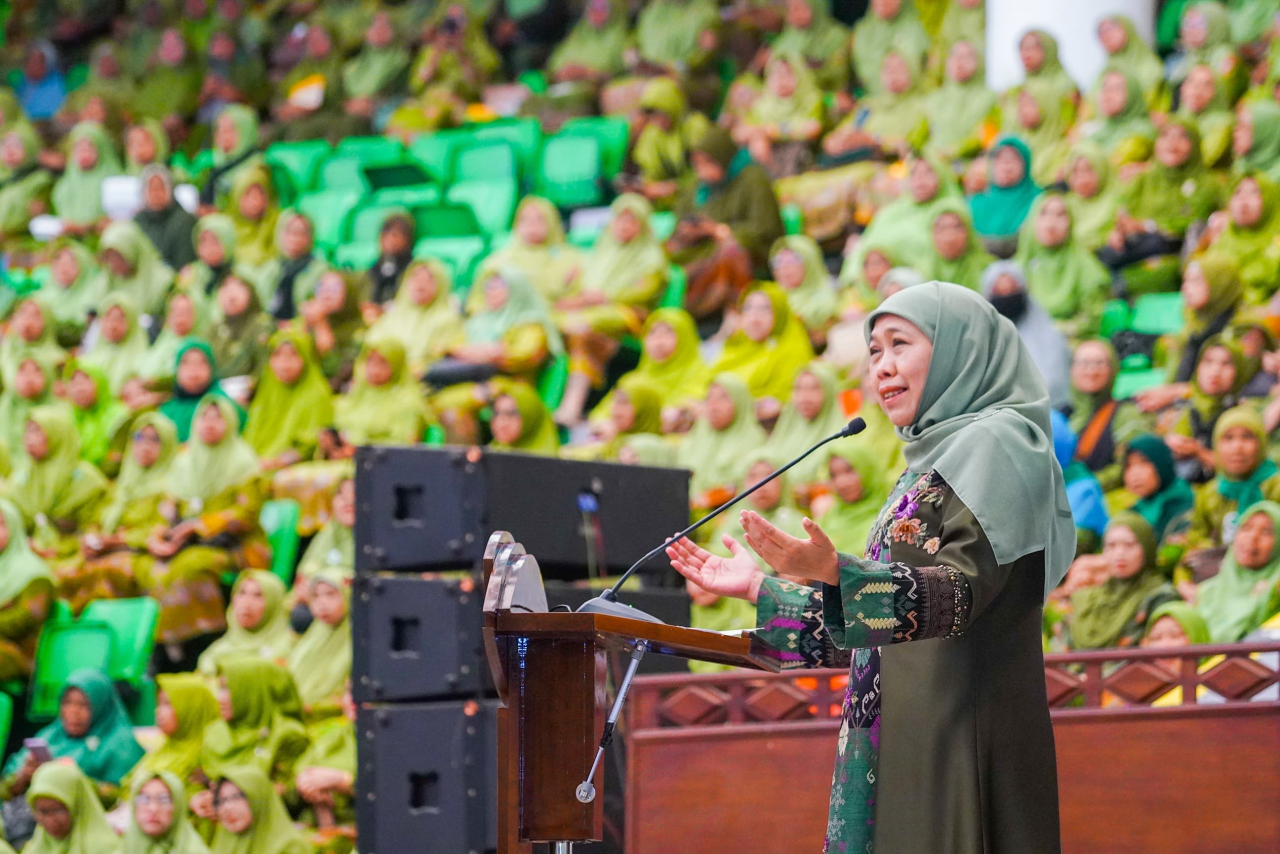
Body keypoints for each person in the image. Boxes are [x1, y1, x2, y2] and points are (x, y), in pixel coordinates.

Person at [666, 281, 1068, 852]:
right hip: (898, 730)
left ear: (962, 347)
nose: (881, 366)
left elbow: (957, 595)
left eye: (900, 343)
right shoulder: (928, 463)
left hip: (958, 737)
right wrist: (760, 588)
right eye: (874, 350)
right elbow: (876, 631)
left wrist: (838, 573)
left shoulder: (999, 444)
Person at [141, 397, 268, 650]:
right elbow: (166, 511)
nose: (209, 424)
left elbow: (248, 514)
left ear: (230, 422)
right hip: (187, 544)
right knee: (150, 567)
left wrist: (200, 525)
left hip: (234, 546)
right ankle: (162, 646)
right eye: (204, 417)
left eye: (217, 417)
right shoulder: (184, 462)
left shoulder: (243, 462)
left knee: (189, 566)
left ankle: (197, 642)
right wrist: (157, 537)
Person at [554, 193, 668, 425]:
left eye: (632, 220)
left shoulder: (652, 257)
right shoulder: (602, 249)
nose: (625, 225)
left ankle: (573, 405)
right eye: (620, 219)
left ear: (643, 224)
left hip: (628, 315)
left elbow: (644, 293)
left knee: (581, 329)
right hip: (591, 312)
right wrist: (577, 296)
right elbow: (582, 286)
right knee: (558, 326)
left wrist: (605, 298)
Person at [668, 126, 784, 321]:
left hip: (753, 250)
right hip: (704, 249)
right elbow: (680, 218)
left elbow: (766, 227)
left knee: (731, 249)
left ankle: (738, 311)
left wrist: (718, 230)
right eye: (697, 164)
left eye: (707, 162)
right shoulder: (698, 187)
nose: (702, 169)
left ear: (722, 158)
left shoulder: (753, 178)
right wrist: (689, 231)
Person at [1101, 118, 1219, 297]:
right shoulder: (1142, 179)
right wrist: (1117, 232)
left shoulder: (1206, 184)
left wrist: (1148, 226)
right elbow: (1120, 210)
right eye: (1165, 135)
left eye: (1182, 136)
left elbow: (1194, 223)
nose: (1172, 143)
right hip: (1133, 250)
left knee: (1160, 261)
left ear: (1195, 144)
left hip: (1174, 254)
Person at [1, 670, 144, 801]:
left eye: (83, 705)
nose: (73, 711)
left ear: (101, 706)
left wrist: (70, 777)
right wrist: (24, 776)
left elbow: (123, 797)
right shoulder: (51, 735)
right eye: (67, 702)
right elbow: (4, 788)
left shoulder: (121, 745)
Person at [1176, 406, 1280, 583]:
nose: (1237, 447)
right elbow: (1197, 536)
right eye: (1228, 438)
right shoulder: (1209, 492)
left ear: (1262, 443)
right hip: (1221, 577)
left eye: (1247, 437)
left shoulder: (1275, 488)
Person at [10, 406, 109, 560]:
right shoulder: (21, 477)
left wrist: (61, 548)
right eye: (27, 431)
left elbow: (95, 530)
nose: (28, 438)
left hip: (76, 554)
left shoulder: (86, 479)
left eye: (36, 431)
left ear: (57, 434)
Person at [590, 308, 711, 433]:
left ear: (686, 337)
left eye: (668, 333)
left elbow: (684, 410)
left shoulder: (703, 377)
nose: (658, 341)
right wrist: (605, 425)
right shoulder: (633, 381)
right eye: (652, 333)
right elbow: (599, 415)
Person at [1012, 192, 1111, 334]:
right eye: (1043, 213)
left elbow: (1091, 320)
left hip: (1073, 340)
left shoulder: (1087, 269)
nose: (1051, 223)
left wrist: (1055, 331)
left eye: (1060, 215)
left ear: (1071, 222)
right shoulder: (1016, 270)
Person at [199, 659, 309, 784]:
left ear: (252, 691)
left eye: (228, 688)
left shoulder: (287, 736)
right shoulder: (215, 733)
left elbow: (290, 789)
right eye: (220, 688)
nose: (219, 698)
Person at [979, 261, 1071, 410]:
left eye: (1012, 290)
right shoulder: (980, 338)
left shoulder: (1050, 337)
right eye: (999, 292)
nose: (1006, 298)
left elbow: (1054, 383)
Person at [712, 283, 815, 413]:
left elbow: (784, 401)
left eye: (764, 309)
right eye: (747, 308)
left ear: (780, 314)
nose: (754, 318)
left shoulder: (792, 352)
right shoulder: (736, 346)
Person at [243, 330, 335, 470]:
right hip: (254, 464)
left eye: (293, 355)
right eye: (277, 355)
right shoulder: (268, 387)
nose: (284, 364)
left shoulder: (316, 394)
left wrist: (276, 462)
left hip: (294, 470)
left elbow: (311, 443)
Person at [1190, 500, 1280, 642]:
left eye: (1266, 532)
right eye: (1246, 528)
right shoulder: (1205, 593)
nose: (1253, 537)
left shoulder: (1276, 590)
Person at [677, 374, 766, 510]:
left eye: (723, 397)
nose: (713, 405)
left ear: (740, 401)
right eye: (709, 398)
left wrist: (705, 500)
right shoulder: (698, 434)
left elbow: (740, 488)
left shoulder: (754, 441)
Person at [125, 673, 219, 797]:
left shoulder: (206, 758)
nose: (158, 711)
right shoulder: (163, 749)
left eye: (168, 704)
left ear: (190, 708)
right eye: (159, 703)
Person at [365, 259, 465, 376]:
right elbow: (369, 351)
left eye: (428, 279)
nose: (420, 285)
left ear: (441, 284)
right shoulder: (391, 317)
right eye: (415, 278)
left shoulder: (449, 320)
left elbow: (446, 358)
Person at [1196, 173, 1280, 306]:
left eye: (1254, 193)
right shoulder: (1224, 238)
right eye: (1237, 193)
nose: (1243, 201)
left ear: (1271, 198)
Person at [332, 339, 433, 447]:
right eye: (370, 361)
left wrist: (359, 445)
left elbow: (403, 444)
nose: (374, 370)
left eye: (383, 363)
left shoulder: (407, 402)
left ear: (396, 364)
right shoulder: (358, 395)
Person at [196, 570, 297, 677]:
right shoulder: (214, 654)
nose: (246, 603)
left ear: (274, 603)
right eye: (242, 593)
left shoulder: (290, 649)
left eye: (258, 595)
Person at [484, 196, 582, 305]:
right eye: (525, 219)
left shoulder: (570, 256)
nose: (531, 225)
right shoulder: (500, 261)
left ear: (551, 221)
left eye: (539, 219)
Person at [0, 498, 54, 682]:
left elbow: (28, 618)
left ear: (14, 526)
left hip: (20, 653)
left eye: (1, 524)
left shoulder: (34, 572)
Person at [287, 570, 350, 724]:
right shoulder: (312, 635)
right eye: (315, 596)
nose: (322, 603)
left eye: (330, 594)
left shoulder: (359, 639)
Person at [924, 39, 998, 163]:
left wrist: (956, 150)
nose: (959, 61)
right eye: (955, 55)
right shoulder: (933, 100)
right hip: (933, 163)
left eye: (966, 57)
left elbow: (987, 138)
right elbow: (922, 137)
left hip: (972, 164)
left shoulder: (991, 98)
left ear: (978, 61)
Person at [20, 761, 117, 854]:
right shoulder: (36, 847)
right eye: (43, 811)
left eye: (57, 810)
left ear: (78, 807)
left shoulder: (104, 849)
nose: (50, 820)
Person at [209, 766, 310, 854]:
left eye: (236, 797)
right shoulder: (224, 841)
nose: (226, 808)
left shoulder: (290, 847)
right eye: (220, 801)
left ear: (260, 798)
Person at [967, 136, 1040, 252]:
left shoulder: (1040, 201)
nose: (1006, 165)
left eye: (1012, 159)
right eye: (999, 159)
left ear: (1026, 164)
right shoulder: (974, 203)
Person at [157, 341, 239, 443]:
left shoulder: (223, 406)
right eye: (186, 363)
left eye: (201, 363)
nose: (194, 370)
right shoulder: (167, 411)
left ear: (212, 368)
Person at [1120, 434, 1196, 543]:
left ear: (1161, 465)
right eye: (1128, 466)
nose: (1134, 473)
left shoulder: (1183, 506)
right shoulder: (1134, 512)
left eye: (1143, 463)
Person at [258, 212, 331, 323]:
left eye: (302, 233)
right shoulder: (269, 269)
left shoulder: (321, 271)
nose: (295, 238)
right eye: (290, 232)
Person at [51, 121, 121, 235]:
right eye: (79, 149)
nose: (83, 154)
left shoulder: (116, 183)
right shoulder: (64, 186)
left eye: (89, 148)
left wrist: (86, 228)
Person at [849, 0, 928, 97]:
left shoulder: (920, 21)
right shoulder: (862, 33)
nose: (883, 2)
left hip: (919, 96)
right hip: (876, 100)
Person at [769, 235, 837, 346]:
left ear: (810, 261)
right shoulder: (768, 301)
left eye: (792, 260)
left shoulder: (836, 295)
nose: (785, 267)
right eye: (778, 261)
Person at [121, 771, 211, 854]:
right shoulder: (121, 847)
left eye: (164, 800)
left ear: (178, 806)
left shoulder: (193, 851)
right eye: (144, 799)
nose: (153, 808)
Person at [81, 293, 151, 396]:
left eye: (119, 319)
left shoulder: (144, 361)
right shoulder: (90, 357)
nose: (112, 326)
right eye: (107, 318)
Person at [36, 242, 102, 347]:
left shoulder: (95, 300)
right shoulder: (40, 298)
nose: (64, 268)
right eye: (59, 262)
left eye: (70, 263)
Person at [1085, 69, 1155, 166]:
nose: (1107, 94)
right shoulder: (1096, 134)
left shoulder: (1143, 132)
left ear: (1132, 93)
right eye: (1104, 87)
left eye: (1115, 88)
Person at [135, 166, 199, 272]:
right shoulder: (138, 221)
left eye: (160, 188)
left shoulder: (185, 221)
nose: (156, 194)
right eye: (151, 189)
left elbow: (185, 262)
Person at [921, 199, 993, 291]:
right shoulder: (920, 275)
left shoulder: (989, 272)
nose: (949, 237)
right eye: (941, 228)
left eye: (957, 227)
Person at [1063, 142, 1121, 252]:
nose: (1082, 179)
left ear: (1102, 168)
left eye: (1089, 170)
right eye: (1075, 171)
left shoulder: (1120, 198)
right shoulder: (1066, 206)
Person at [1176, 63, 1235, 170]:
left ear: (1217, 91)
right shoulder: (1178, 119)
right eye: (1192, 82)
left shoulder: (1224, 123)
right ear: (1182, 87)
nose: (1197, 91)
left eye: (1206, 85)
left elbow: (1204, 160)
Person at [488, 380, 561, 455]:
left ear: (531, 416)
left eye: (511, 414)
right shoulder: (493, 451)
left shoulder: (548, 459)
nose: (501, 423)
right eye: (496, 413)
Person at [360, 213, 416, 309]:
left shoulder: (413, 269)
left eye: (397, 235)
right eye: (386, 234)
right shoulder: (373, 269)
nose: (391, 240)